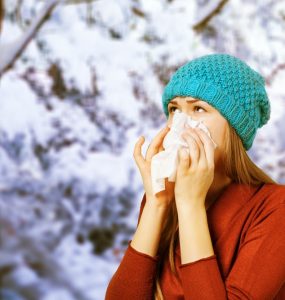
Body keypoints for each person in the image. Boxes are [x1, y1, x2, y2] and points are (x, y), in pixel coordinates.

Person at [105, 53, 285, 299]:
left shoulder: (275, 207)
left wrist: (190, 205)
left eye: (198, 108)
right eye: (174, 109)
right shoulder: (164, 198)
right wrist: (157, 205)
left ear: (235, 128)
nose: (181, 123)